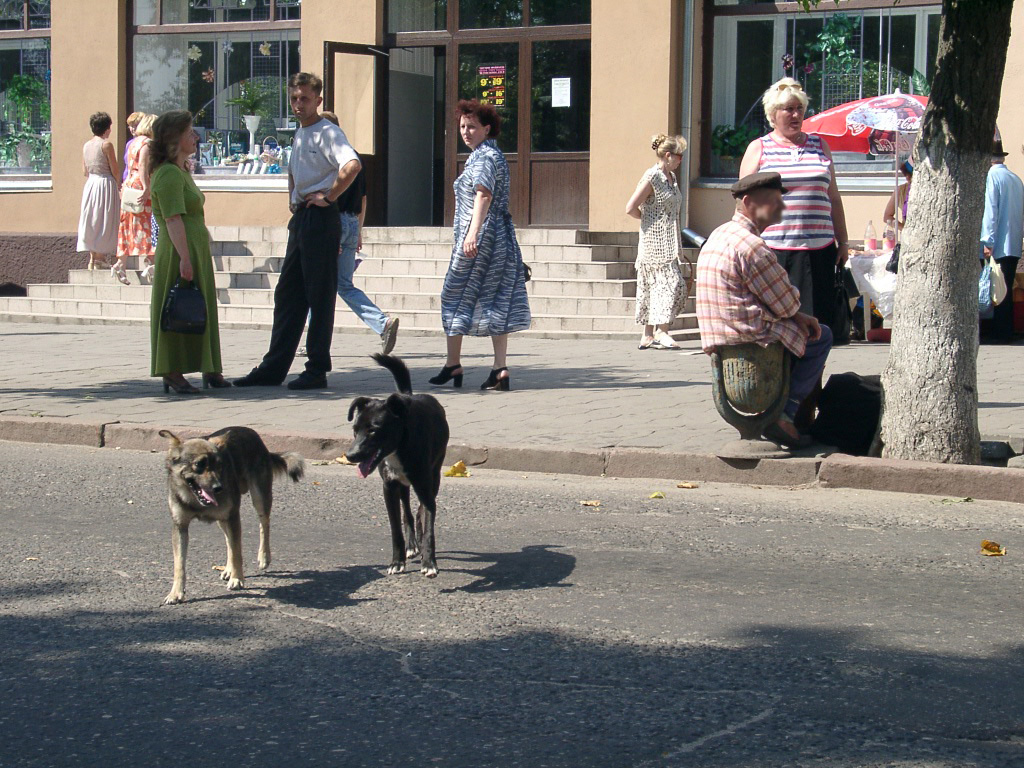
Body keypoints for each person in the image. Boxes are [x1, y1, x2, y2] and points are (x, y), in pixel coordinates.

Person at [234, 72, 361, 390]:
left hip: (321, 220)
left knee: (319, 295)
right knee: (288, 293)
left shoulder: (328, 132)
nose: (299, 104)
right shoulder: (300, 133)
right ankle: (273, 367)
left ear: (318, 100)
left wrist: (329, 196)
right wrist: (293, 198)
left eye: (305, 98)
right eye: (294, 98)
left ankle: (316, 369)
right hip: (302, 219)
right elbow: (295, 171)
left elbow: (352, 165)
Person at [696, 172, 833, 450]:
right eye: (775, 202)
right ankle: (785, 413)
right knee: (821, 336)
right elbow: (787, 304)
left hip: (718, 336)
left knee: (801, 326)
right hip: (751, 334)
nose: (782, 209)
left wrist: (797, 315)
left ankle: (780, 412)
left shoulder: (719, 235)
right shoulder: (752, 246)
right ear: (749, 202)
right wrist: (799, 314)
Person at [430, 99, 531, 392]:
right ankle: (497, 369)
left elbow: (483, 195)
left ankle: (454, 364)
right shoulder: (488, 155)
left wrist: (472, 234)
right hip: (498, 236)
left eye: (472, 126)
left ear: (487, 128)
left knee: (453, 293)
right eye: (462, 127)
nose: (466, 132)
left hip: (481, 238)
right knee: (496, 297)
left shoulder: (485, 158)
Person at [739, 78, 850, 330]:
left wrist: (842, 241)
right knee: (782, 321)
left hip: (820, 250)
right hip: (776, 250)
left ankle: (814, 370)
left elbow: (833, 196)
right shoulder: (759, 148)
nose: (795, 114)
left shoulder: (820, 146)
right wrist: (743, 243)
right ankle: (786, 370)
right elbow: (743, 201)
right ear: (773, 114)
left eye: (799, 108)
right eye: (788, 109)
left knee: (819, 324)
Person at [148, 110, 228, 395]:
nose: (196, 137)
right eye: (189, 132)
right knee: (178, 309)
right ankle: (171, 370)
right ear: (174, 138)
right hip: (178, 250)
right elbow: (172, 218)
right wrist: (184, 257)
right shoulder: (168, 173)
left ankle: (210, 367)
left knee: (198, 308)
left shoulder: (180, 170)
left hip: (192, 248)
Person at [320, 111, 400, 354]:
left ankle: (315, 340)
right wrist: (358, 231)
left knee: (318, 283)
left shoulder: (330, 159)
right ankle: (382, 322)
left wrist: (332, 234)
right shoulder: (354, 158)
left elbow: (328, 198)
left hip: (333, 222)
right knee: (343, 284)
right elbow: (363, 200)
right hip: (352, 222)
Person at [625, 133, 688, 350]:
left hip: (670, 242)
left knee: (666, 286)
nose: (681, 160)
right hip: (653, 244)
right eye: (679, 156)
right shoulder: (652, 176)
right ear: (668, 155)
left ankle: (648, 335)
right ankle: (661, 331)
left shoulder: (672, 178)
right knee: (667, 285)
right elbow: (630, 207)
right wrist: (647, 220)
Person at [980, 139, 1023, 343]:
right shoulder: (1015, 179)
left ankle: (997, 332)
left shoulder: (991, 178)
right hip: (1013, 241)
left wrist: (987, 240)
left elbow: (991, 211)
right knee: (1005, 287)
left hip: (997, 243)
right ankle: (1005, 331)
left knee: (995, 288)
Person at [76, 112, 120, 273]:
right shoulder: (106, 145)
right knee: (104, 219)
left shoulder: (86, 145)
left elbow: (84, 171)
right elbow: (115, 169)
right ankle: (100, 258)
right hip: (105, 183)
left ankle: (93, 258)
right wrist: (119, 184)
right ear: (107, 128)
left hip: (91, 184)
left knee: (92, 218)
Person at [116, 112, 156, 284]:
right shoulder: (147, 143)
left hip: (129, 184)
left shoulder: (133, 143)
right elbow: (143, 166)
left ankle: (120, 263)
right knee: (147, 223)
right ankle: (150, 263)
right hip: (140, 184)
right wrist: (147, 187)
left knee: (127, 225)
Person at [883, 160, 913, 233]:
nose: (907, 178)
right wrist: (905, 230)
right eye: (905, 174)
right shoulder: (901, 190)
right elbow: (887, 217)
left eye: (910, 175)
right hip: (909, 237)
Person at [123, 111, 144, 182]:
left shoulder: (145, 143)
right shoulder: (129, 143)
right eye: (130, 126)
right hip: (128, 179)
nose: (132, 129)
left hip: (140, 181)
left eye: (135, 125)